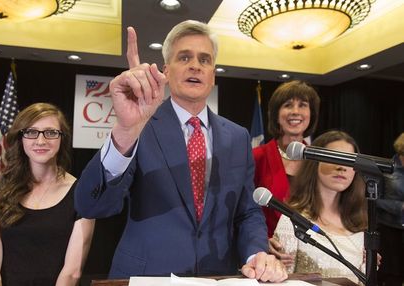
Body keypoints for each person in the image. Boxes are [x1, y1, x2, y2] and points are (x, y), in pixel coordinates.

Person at [74, 20, 287, 282]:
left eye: (205, 60)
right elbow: (91, 205)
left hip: (217, 277)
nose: (195, 65)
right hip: (148, 277)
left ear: (213, 75)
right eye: (184, 57)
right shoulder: (140, 126)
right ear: (166, 71)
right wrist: (126, 131)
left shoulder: (238, 137)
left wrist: (255, 253)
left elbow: (247, 212)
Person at [0, 103, 95, 285]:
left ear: (62, 138)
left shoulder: (82, 194)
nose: (41, 141)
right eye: (31, 132)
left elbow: (72, 273)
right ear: (21, 138)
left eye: (50, 132)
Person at [272, 130, 367, 283]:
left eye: (349, 160)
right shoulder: (292, 220)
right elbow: (282, 281)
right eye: (334, 157)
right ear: (314, 163)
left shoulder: (359, 225)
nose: (342, 167)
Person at [252, 80, 320, 237]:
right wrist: (262, 241)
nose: (295, 111)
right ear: (276, 115)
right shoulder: (257, 157)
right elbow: (245, 210)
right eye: (288, 105)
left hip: (313, 248)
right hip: (269, 250)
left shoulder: (319, 160)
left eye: (302, 105)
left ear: (311, 115)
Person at [377, 132, 404, 286]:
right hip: (389, 231)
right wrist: (399, 207)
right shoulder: (386, 168)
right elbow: (372, 200)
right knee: (391, 277)